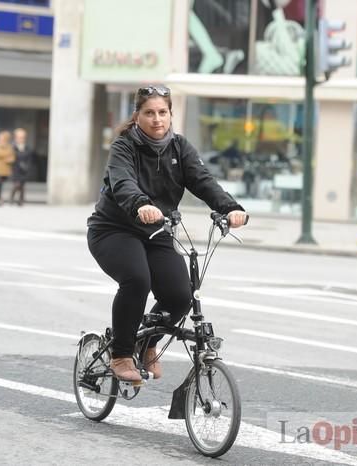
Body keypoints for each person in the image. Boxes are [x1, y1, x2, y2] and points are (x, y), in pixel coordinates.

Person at [86, 85, 248, 382]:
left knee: (180, 294)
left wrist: (230, 208)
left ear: (171, 115)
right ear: (137, 116)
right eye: (149, 113)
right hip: (113, 229)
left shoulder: (180, 148)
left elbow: (204, 182)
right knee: (137, 279)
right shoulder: (124, 146)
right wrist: (141, 204)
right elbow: (123, 184)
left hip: (156, 231)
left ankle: (147, 343)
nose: (157, 119)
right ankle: (121, 355)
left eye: (163, 112)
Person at [10, 128, 34, 206]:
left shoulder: (27, 147)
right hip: (15, 169)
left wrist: (28, 167)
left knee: (22, 186)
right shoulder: (12, 147)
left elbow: (29, 159)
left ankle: (21, 200)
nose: (21, 139)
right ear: (15, 138)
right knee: (17, 184)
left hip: (24, 169)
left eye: (23, 137)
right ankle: (12, 198)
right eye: (19, 137)